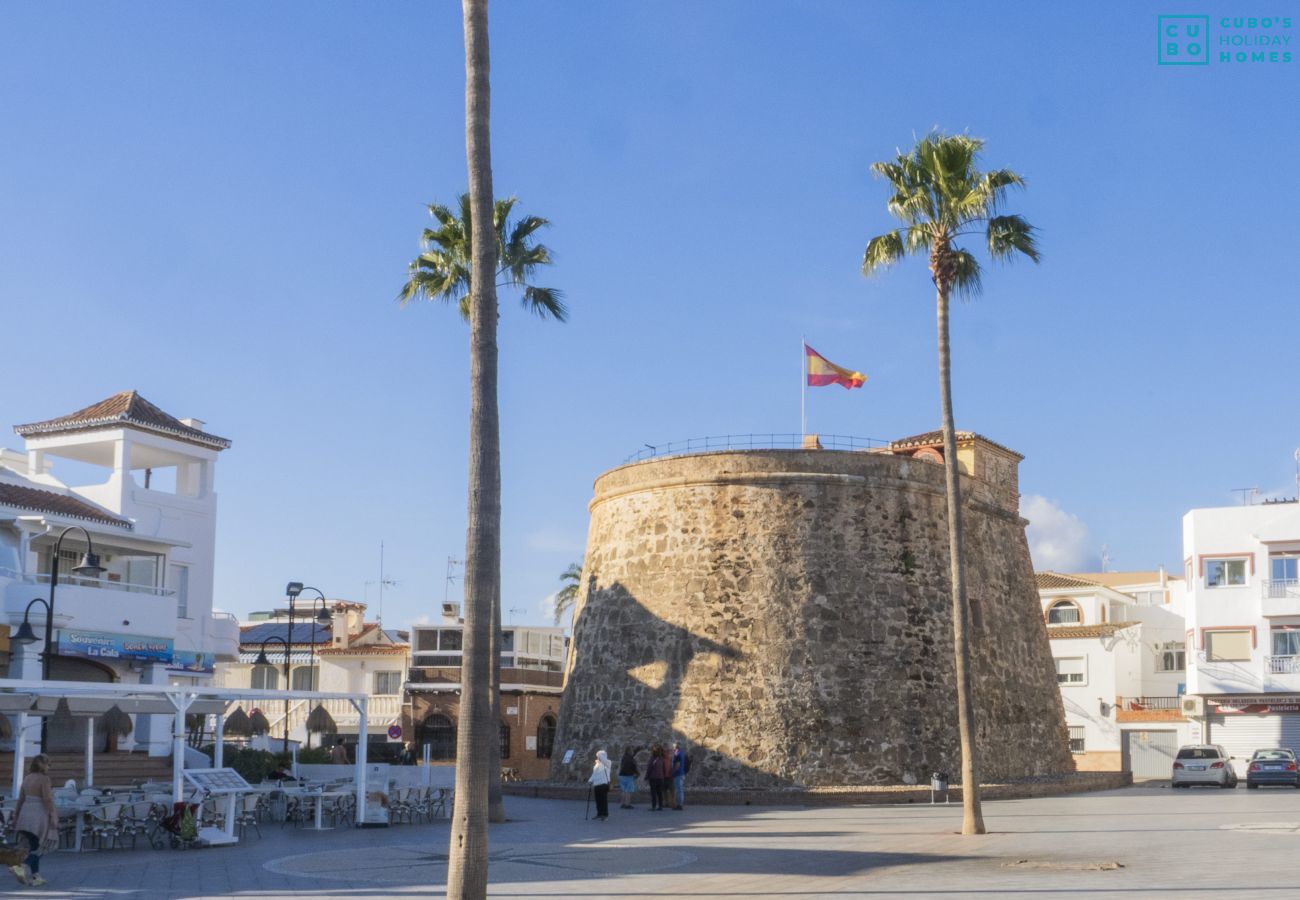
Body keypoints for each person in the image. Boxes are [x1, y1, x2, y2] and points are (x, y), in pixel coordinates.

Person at [10, 754, 57, 887]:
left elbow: (20, 800)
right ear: (43, 765)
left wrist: (16, 817)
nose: (49, 767)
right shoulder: (44, 779)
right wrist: (53, 814)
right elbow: (47, 799)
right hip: (38, 817)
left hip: (25, 816)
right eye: (48, 764)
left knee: (34, 846)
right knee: (42, 847)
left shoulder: (27, 778)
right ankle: (22, 866)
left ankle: (36, 877)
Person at [588, 749, 612, 820]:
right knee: (598, 800)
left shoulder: (608, 762)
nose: (598, 757)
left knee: (603, 800)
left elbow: (603, 760)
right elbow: (594, 774)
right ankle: (599, 813)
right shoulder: (597, 765)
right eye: (597, 756)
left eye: (599, 756)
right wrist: (590, 780)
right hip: (596, 784)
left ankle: (605, 815)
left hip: (603, 784)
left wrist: (599, 754)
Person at [645, 744, 667, 811]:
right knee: (659, 792)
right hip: (660, 778)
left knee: (653, 793)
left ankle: (654, 806)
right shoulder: (662, 759)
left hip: (653, 778)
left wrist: (646, 776)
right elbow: (664, 769)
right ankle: (660, 806)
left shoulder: (652, 759)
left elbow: (649, 768)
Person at [670, 740, 687, 810]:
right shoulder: (682, 753)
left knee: (679, 790)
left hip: (678, 774)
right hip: (682, 773)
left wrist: (672, 773)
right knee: (680, 789)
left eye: (673, 747)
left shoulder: (677, 754)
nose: (673, 748)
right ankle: (680, 804)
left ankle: (679, 805)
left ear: (676, 747)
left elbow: (677, 765)